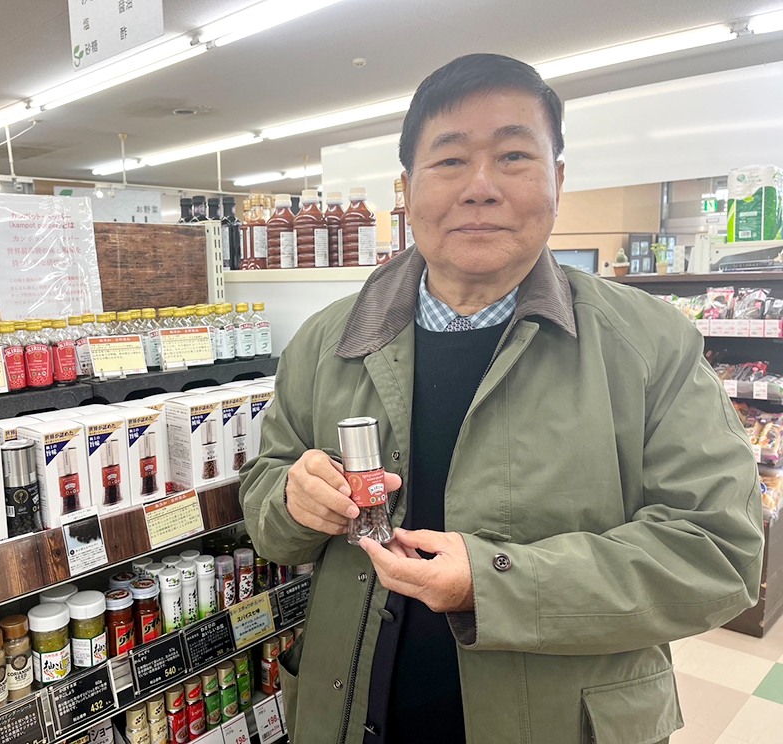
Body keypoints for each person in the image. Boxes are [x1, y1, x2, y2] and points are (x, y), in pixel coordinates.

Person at [238, 53, 764, 744]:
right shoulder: (325, 341)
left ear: (558, 180)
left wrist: (494, 584)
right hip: (349, 713)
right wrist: (292, 499)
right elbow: (267, 504)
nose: (480, 187)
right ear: (409, 189)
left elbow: (718, 554)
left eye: (514, 156)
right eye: (450, 160)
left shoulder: (649, 343)